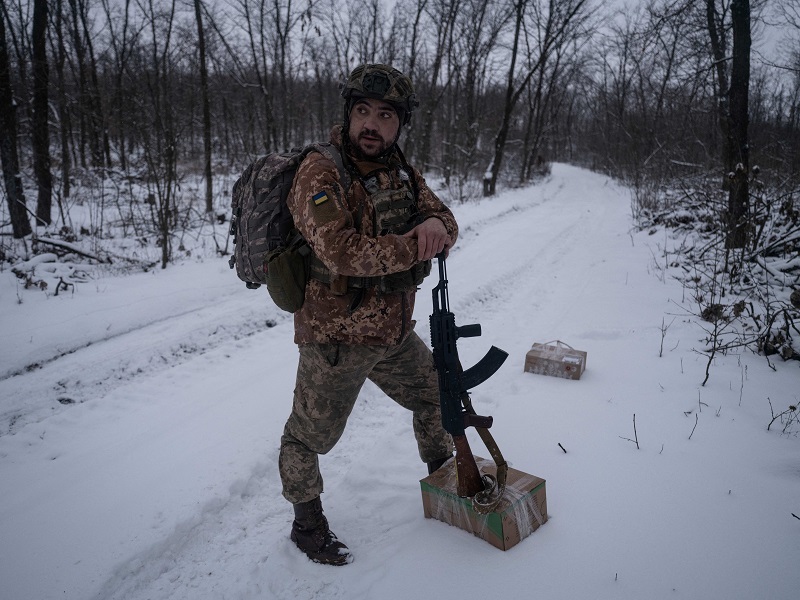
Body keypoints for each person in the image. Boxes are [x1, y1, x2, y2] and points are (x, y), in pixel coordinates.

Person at [280, 63, 458, 566]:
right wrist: (414, 244)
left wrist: (433, 225)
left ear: (399, 124)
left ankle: (443, 474)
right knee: (309, 437)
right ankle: (306, 522)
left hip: (394, 335)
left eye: (384, 115)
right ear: (348, 114)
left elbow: (446, 218)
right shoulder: (320, 171)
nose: (372, 125)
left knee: (435, 396)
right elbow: (341, 252)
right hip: (336, 341)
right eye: (363, 111)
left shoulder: (400, 169)